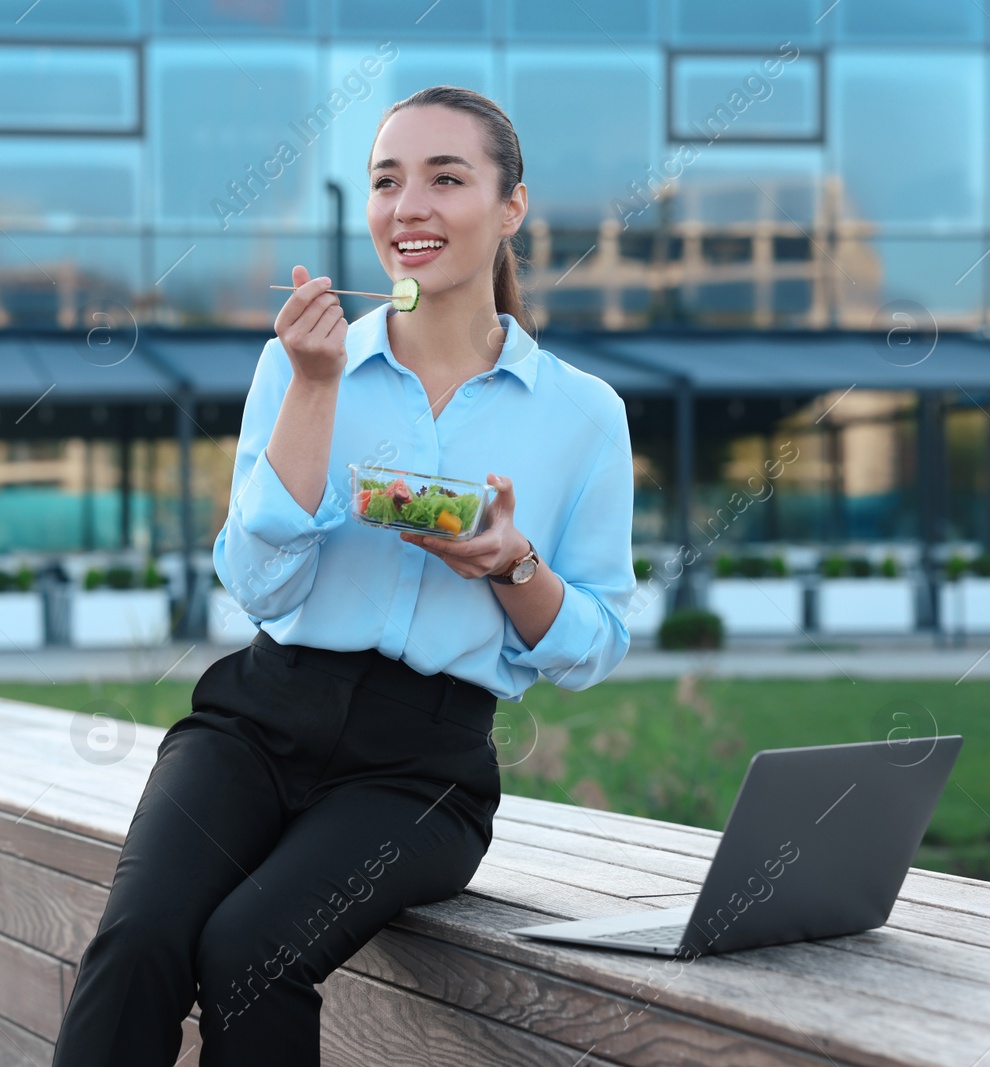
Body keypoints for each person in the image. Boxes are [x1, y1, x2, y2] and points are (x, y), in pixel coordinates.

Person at [50, 85, 636, 1067]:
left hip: (421, 768)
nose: (408, 205)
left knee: (250, 951)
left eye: (445, 178)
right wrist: (316, 389)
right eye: (385, 180)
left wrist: (512, 564)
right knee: (140, 938)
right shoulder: (299, 364)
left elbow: (594, 645)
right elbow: (256, 586)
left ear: (511, 209)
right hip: (256, 717)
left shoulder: (582, 415)